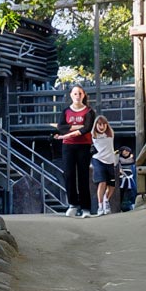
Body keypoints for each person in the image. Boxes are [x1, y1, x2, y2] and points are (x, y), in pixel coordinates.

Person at [54, 84, 95, 218]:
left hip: (83, 145)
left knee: (83, 176)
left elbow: (87, 128)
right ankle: (72, 204)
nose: (77, 96)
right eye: (75, 93)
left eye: (80, 93)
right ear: (71, 95)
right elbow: (61, 127)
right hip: (68, 146)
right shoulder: (65, 111)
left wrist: (71, 131)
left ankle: (86, 208)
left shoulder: (89, 111)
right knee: (69, 175)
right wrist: (76, 127)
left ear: (84, 95)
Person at [89, 115, 117, 216]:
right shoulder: (93, 134)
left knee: (112, 185)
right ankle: (100, 206)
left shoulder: (110, 133)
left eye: (104, 124)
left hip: (110, 161)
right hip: (98, 160)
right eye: (99, 124)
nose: (102, 126)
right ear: (96, 125)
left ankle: (106, 199)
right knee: (102, 182)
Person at [116, 146, 138, 211]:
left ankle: (133, 204)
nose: (125, 153)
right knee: (121, 190)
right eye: (124, 151)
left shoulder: (133, 158)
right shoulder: (119, 159)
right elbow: (119, 169)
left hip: (131, 177)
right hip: (123, 177)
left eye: (127, 151)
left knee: (133, 189)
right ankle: (119, 205)